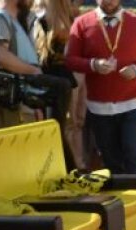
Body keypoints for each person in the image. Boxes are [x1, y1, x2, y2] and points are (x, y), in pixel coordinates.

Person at [64, 0, 136, 175]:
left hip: (134, 102)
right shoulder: (81, 23)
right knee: (110, 159)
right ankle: (120, 193)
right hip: (99, 106)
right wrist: (93, 65)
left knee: (133, 152)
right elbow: (70, 59)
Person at [0, 0, 74, 164]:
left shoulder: (15, 22)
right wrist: (34, 72)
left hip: (20, 101)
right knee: (10, 157)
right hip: (5, 103)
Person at [30, 0, 82, 166]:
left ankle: (70, 169)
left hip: (50, 80)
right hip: (60, 80)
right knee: (58, 129)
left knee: (55, 129)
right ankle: (70, 168)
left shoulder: (43, 21)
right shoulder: (65, 20)